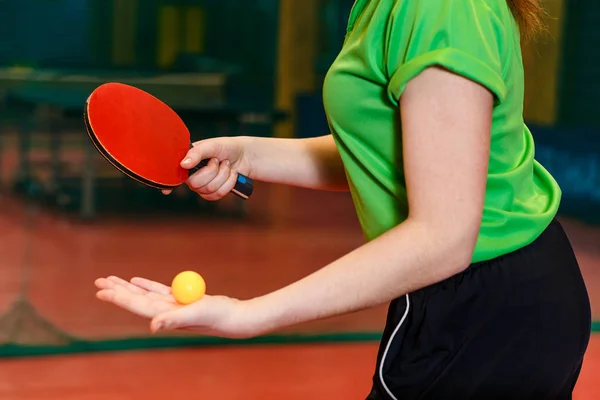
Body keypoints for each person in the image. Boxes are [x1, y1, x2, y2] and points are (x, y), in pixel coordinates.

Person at [95, 0, 592, 398]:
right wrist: (248, 154)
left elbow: (445, 237)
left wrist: (250, 314)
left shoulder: (441, 9)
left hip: (493, 310)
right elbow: (391, 149)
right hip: (459, 294)